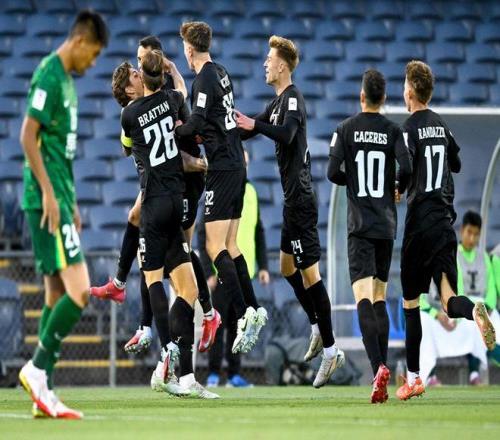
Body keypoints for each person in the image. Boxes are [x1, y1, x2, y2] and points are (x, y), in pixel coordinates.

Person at [92, 35, 220, 354]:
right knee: (139, 226)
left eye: (141, 62)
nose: (138, 66)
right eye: (135, 63)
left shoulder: (164, 94)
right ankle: (137, 312)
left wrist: (200, 163)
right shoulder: (142, 106)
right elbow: (131, 147)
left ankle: (206, 315)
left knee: (179, 249)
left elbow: (183, 142)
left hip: (185, 182)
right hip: (165, 181)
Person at [235, 35, 344, 388]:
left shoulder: (293, 98)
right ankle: (317, 327)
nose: (265, 64)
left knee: (311, 276)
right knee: (286, 268)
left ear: (282, 65)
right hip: (290, 200)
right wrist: (219, 130)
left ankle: (331, 351)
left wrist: (254, 125)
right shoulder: (277, 102)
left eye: (269, 59)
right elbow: (248, 128)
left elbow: (286, 134)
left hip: (301, 200)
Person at [18, 10, 108, 419]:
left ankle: (44, 394)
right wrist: (51, 196)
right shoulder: (50, 76)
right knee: (81, 290)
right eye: (94, 53)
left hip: (58, 199)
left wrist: (70, 201)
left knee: (55, 294)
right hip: (45, 203)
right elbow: (27, 136)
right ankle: (37, 370)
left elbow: (61, 153)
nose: (93, 62)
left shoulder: (68, 83)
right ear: (80, 41)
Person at [120, 49, 218, 399]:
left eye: (138, 70)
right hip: (175, 203)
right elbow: (180, 91)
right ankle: (177, 368)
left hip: (154, 207)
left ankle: (175, 364)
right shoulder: (173, 99)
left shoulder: (129, 115)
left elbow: (127, 147)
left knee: (157, 283)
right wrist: (173, 70)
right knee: (187, 291)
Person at [396, 60, 496, 400]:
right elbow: (457, 163)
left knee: (411, 303)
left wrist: (399, 186)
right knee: (449, 298)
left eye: (404, 86)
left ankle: (414, 378)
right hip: (444, 223)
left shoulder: (409, 127)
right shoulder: (441, 124)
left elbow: (405, 167)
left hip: (419, 224)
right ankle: (474, 311)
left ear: (411, 91)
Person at [175, 21, 267, 354]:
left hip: (223, 167)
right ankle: (253, 308)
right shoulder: (223, 72)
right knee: (230, 245)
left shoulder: (203, 78)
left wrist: (176, 130)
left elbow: (198, 121)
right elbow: (216, 120)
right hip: (236, 163)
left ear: (189, 48)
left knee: (214, 248)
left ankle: (242, 315)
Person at [327, 69, 412, 402]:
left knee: (363, 297)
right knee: (379, 297)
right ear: (384, 99)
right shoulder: (393, 131)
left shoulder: (345, 129)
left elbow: (332, 172)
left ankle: (378, 369)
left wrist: (355, 183)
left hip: (360, 226)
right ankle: (383, 369)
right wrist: (397, 187)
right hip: (385, 226)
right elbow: (407, 168)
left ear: (362, 96)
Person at [201, 150, 270, 388]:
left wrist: (264, 266)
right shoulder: (221, 188)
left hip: (244, 271)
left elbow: (258, 230)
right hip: (221, 271)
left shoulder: (250, 192)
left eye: (246, 162)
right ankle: (212, 372)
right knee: (219, 323)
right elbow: (204, 233)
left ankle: (234, 374)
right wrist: (208, 272)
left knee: (239, 324)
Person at [421, 211, 500, 385]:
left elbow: (485, 289)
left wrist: (488, 306)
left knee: (478, 320)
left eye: (476, 234)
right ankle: (428, 375)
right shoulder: (435, 257)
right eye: (469, 233)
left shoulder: (482, 257)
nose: (472, 238)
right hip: (434, 313)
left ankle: (474, 373)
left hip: (466, 308)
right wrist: (437, 314)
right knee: (423, 322)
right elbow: (416, 299)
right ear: (462, 230)